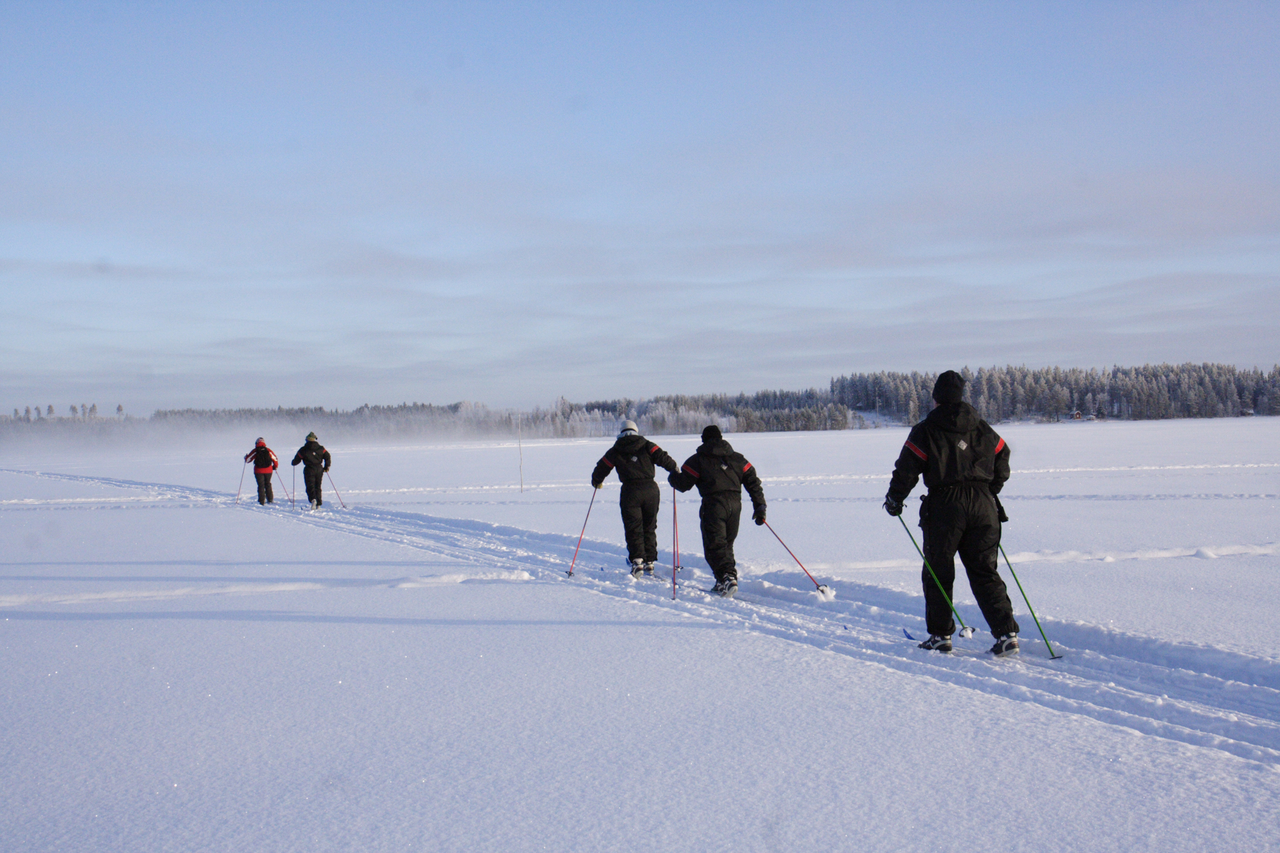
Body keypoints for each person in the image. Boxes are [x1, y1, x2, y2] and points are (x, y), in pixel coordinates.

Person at [883, 370, 1020, 656]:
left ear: (936, 399)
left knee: (938, 570)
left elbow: (907, 468)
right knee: (985, 570)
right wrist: (990, 488)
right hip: (983, 506)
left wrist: (895, 498)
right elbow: (1003, 455)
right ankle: (1007, 633)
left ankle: (941, 635)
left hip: (945, 506)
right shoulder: (982, 427)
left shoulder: (926, 429)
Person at [668, 425, 766, 598]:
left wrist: (673, 477)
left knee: (714, 544)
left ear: (704, 440)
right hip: (736, 506)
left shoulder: (698, 460)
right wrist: (760, 507)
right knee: (726, 544)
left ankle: (727, 578)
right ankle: (723, 580)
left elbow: (683, 484)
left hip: (714, 504)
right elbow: (753, 481)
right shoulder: (738, 459)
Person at [591, 420, 679, 578]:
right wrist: (674, 468)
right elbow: (662, 457)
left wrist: (597, 481)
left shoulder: (616, 449)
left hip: (630, 491)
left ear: (621, 431)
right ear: (635, 430)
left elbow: (602, 466)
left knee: (634, 527)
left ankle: (637, 562)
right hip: (651, 490)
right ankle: (649, 562)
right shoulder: (647, 444)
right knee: (649, 526)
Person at [291, 431, 331, 509]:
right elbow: (327, 456)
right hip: (319, 468)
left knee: (310, 485)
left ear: (307, 440)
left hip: (309, 469)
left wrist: (294, 463)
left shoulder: (303, 449)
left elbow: (297, 459)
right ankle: (318, 504)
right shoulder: (321, 448)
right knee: (318, 486)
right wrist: (326, 467)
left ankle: (313, 499)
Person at [243, 437, 279, 505]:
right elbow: (275, 459)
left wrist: (246, 457)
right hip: (269, 470)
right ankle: (270, 500)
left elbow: (248, 460)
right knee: (268, 484)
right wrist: (275, 466)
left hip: (258, 471)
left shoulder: (255, 451)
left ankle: (261, 501)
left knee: (261, 485)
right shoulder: (268, 450)